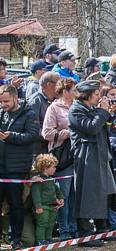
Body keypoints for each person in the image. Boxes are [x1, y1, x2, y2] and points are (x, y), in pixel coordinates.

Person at [68, 80, 116, 247]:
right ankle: (85, 234)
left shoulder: (91, 109)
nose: (99, 97)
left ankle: (102, 228)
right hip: (86, 156)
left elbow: (102, 128)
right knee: (87, 194)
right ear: (87, 95)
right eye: (96, 94)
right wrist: (103, 112)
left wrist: (107, 114)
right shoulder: (76, 110)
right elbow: (91, 128)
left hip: (100, 155)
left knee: (104, 192)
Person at [0, 85, 39, 249]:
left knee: (16, 204)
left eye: (6, 101)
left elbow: (33, 135)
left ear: (16, 97)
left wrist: (11, 136)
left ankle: (16, 239)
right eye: (1, 101)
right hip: (0, 166)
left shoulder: (29, 114)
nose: (3, 104)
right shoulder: (1, 114)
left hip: (16, 167)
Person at [41, 77, 78, 240]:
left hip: (77, 154)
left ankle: (74, 226)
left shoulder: (77, 107)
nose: (76, 93)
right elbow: (46, 133)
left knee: (75, 194)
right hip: (62, 156)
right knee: (64, 195)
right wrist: (66, 134)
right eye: (74, 90)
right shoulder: (54, 108)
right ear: (65, 91)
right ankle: (64, 229)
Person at [30, 153, 64, 245]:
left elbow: (57, 190)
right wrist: (38, 206)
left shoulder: (50, 179)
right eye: (53, 167)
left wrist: (61, 198)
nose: (55, 169)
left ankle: (48, 239)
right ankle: (40, 240)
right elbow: (35, 194)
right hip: (43, 207)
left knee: (50, 224)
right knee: (42, 224)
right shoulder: (38, 180)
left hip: (52, 206)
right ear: (45, 168)